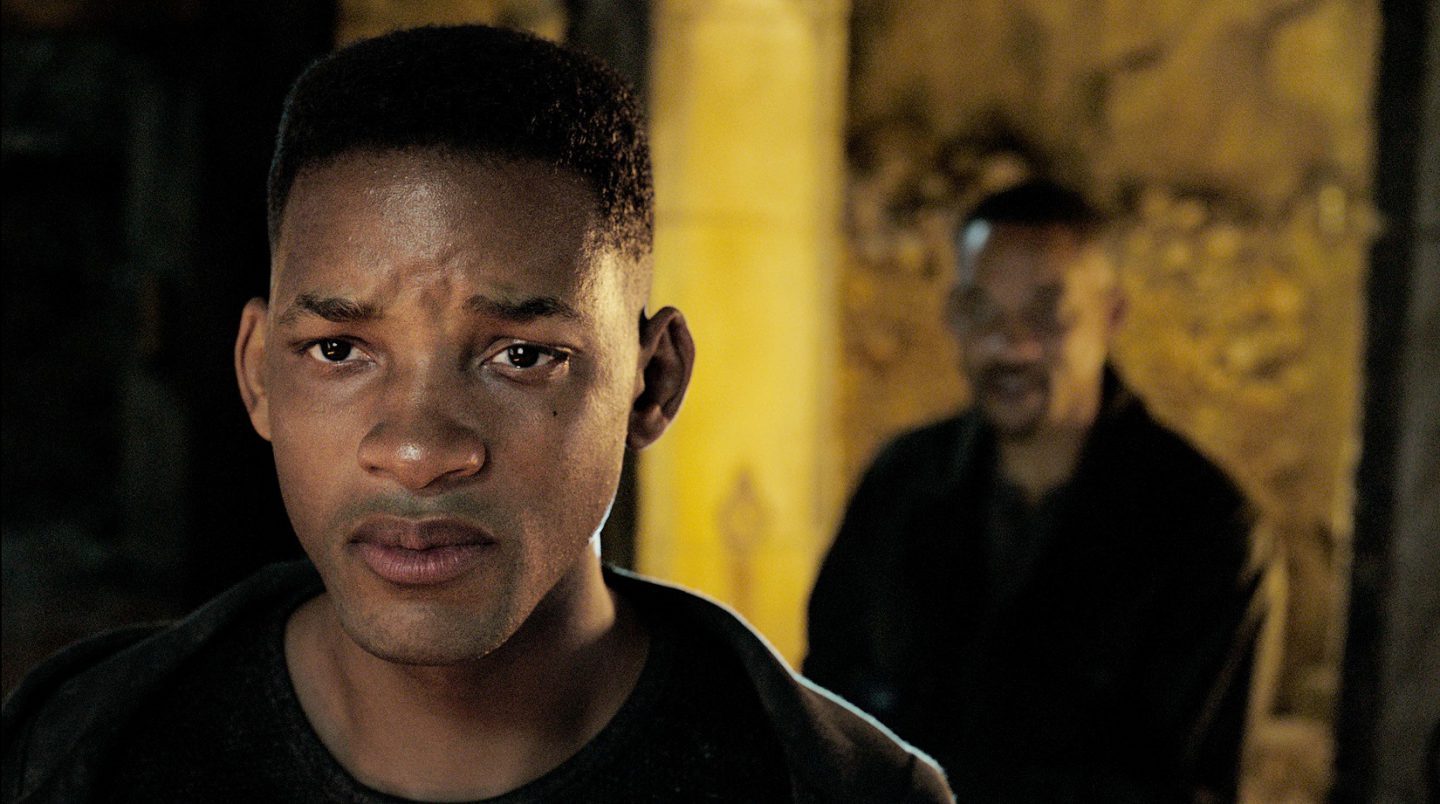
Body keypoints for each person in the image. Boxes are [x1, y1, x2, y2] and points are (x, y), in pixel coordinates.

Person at [2, 25, 950, 803]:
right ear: (257, 376)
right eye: (339, 350)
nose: (418, 449)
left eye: (521, 357)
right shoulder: (77, 754)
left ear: (651, 382)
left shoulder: (838, 789)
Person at [805, 180, 1264, 801]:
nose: (1009, 344)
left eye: (1047, 315)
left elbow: (1184, 783)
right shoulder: (900, 485)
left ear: (1111, 317)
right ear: (952, 315)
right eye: (981, 311)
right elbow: (828, 714)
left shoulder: (1201, 523)